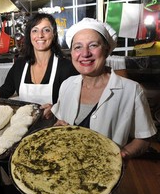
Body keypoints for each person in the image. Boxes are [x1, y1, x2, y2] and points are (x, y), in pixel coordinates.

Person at [51, 17, 156, 161]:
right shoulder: (67, 84)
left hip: (105, 176)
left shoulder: (131, 90)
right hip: (67, 169)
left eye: (93, 45)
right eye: (78, 47)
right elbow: (60, 121)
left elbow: (144, 138)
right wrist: (58, 126)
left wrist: (124, 153)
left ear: (106, 50)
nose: (85, 53)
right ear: (72, 53)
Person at [0, 13, 78, 119]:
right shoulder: (20, 65)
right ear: (30, 35)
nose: (40, 35)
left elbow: (74, 102)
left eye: (46, 30)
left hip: (54, 128)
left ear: (53, 34)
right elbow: (6, 89)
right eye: (35, 30)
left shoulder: (66, 67)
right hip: (24, 128)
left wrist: (56, 109)